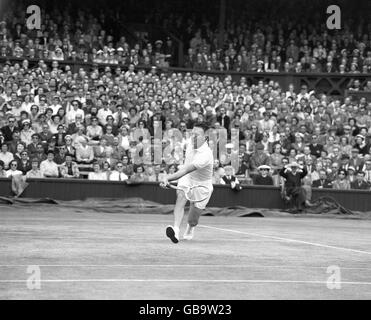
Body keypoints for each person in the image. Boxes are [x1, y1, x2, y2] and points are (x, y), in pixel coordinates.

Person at [160, 124, 214, 243]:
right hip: (188, 178)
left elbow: (185, 170)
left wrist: (167, 178)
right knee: (181, 196)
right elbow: (185, 170)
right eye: (192, 134)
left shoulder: (206, 155)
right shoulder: (190, 144)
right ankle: (176, 230)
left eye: (197, 134)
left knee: (193, 219)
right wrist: (170, 179)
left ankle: (190, 228)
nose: (193, 137)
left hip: (202, 185)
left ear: (205, 137)